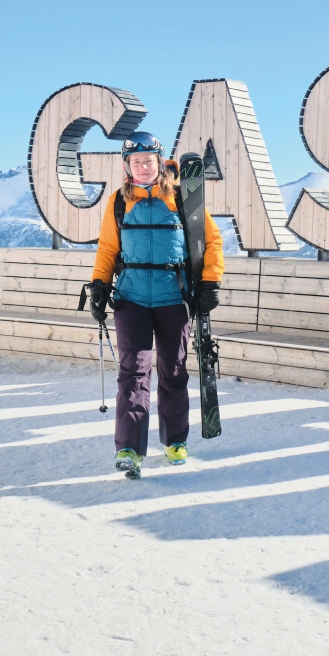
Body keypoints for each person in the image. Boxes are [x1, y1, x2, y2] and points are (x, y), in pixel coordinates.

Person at [84, 133, 224, 478]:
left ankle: (175, 440)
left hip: (172, 298)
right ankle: (129, 448)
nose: (143, 167)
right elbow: (107, 248)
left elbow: (212, 240)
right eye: (136, 162)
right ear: (127, 166)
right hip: (131, 299)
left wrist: (210, 280)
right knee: (132, 372)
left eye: (149, 161)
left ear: (160, 163)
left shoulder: (182, 197)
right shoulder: (119, 202)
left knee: (173, 372)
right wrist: (100, 285)